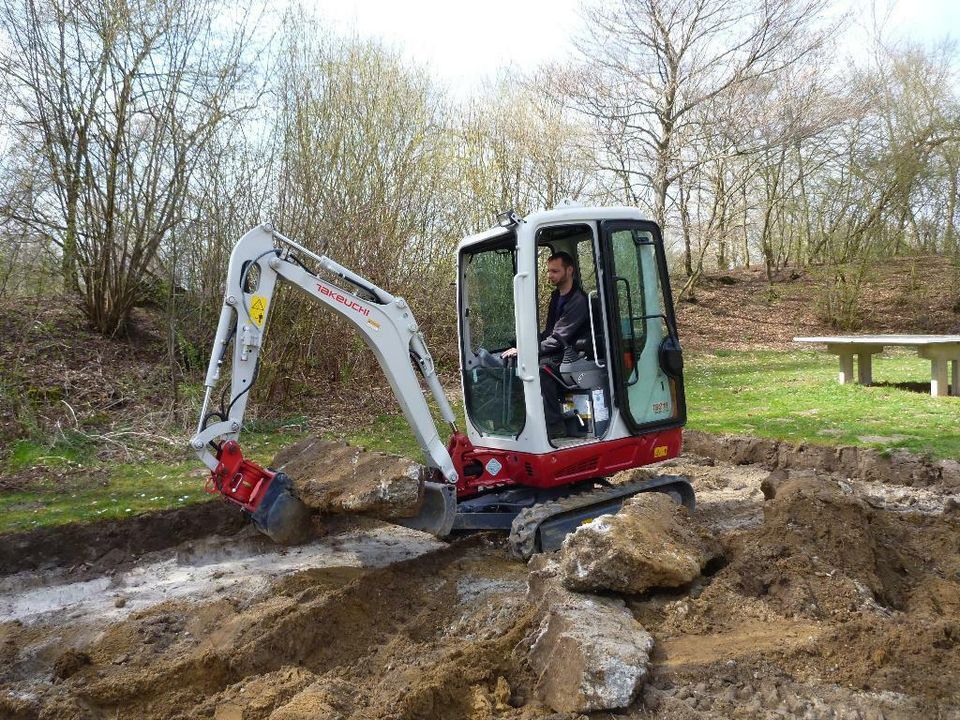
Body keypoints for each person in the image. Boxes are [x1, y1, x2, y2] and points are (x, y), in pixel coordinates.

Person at [502, 251, 589, 438]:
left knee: (541, 370)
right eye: (549, 271)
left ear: (570, 270)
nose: (550, 275)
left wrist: (527, 350)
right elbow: (550, 332)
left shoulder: (579, 301)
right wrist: (522, 344)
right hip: (557, 351)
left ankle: (555, 426)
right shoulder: (556, 297)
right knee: (513, 362)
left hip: (571, 355)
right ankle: (518, 420)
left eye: (555, 271)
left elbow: (559, 337)